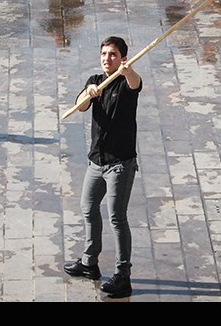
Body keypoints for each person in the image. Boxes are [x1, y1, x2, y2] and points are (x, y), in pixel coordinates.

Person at [63, 36, 142, 300]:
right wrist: (89, 93)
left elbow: (136, 83)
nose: (107, 58)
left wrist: (128, 70)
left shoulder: (126, 82)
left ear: (122, 58)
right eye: (104, 54)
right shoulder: (95, 80)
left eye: (113, 54)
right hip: (96, 162)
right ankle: (89, 263)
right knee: (88, 208)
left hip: (120, 165)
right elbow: (80, 106)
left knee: (117, 218)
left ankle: (123, 275)